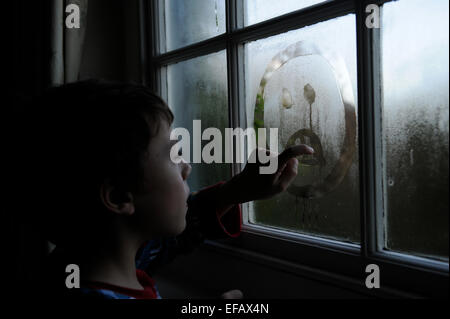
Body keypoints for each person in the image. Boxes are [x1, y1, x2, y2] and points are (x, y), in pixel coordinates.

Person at [23, 80, 314, 299]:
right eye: (174, 155)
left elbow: (169, 240)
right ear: (118, 197)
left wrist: (236, 191)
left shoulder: (84, 260)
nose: (187, 168)